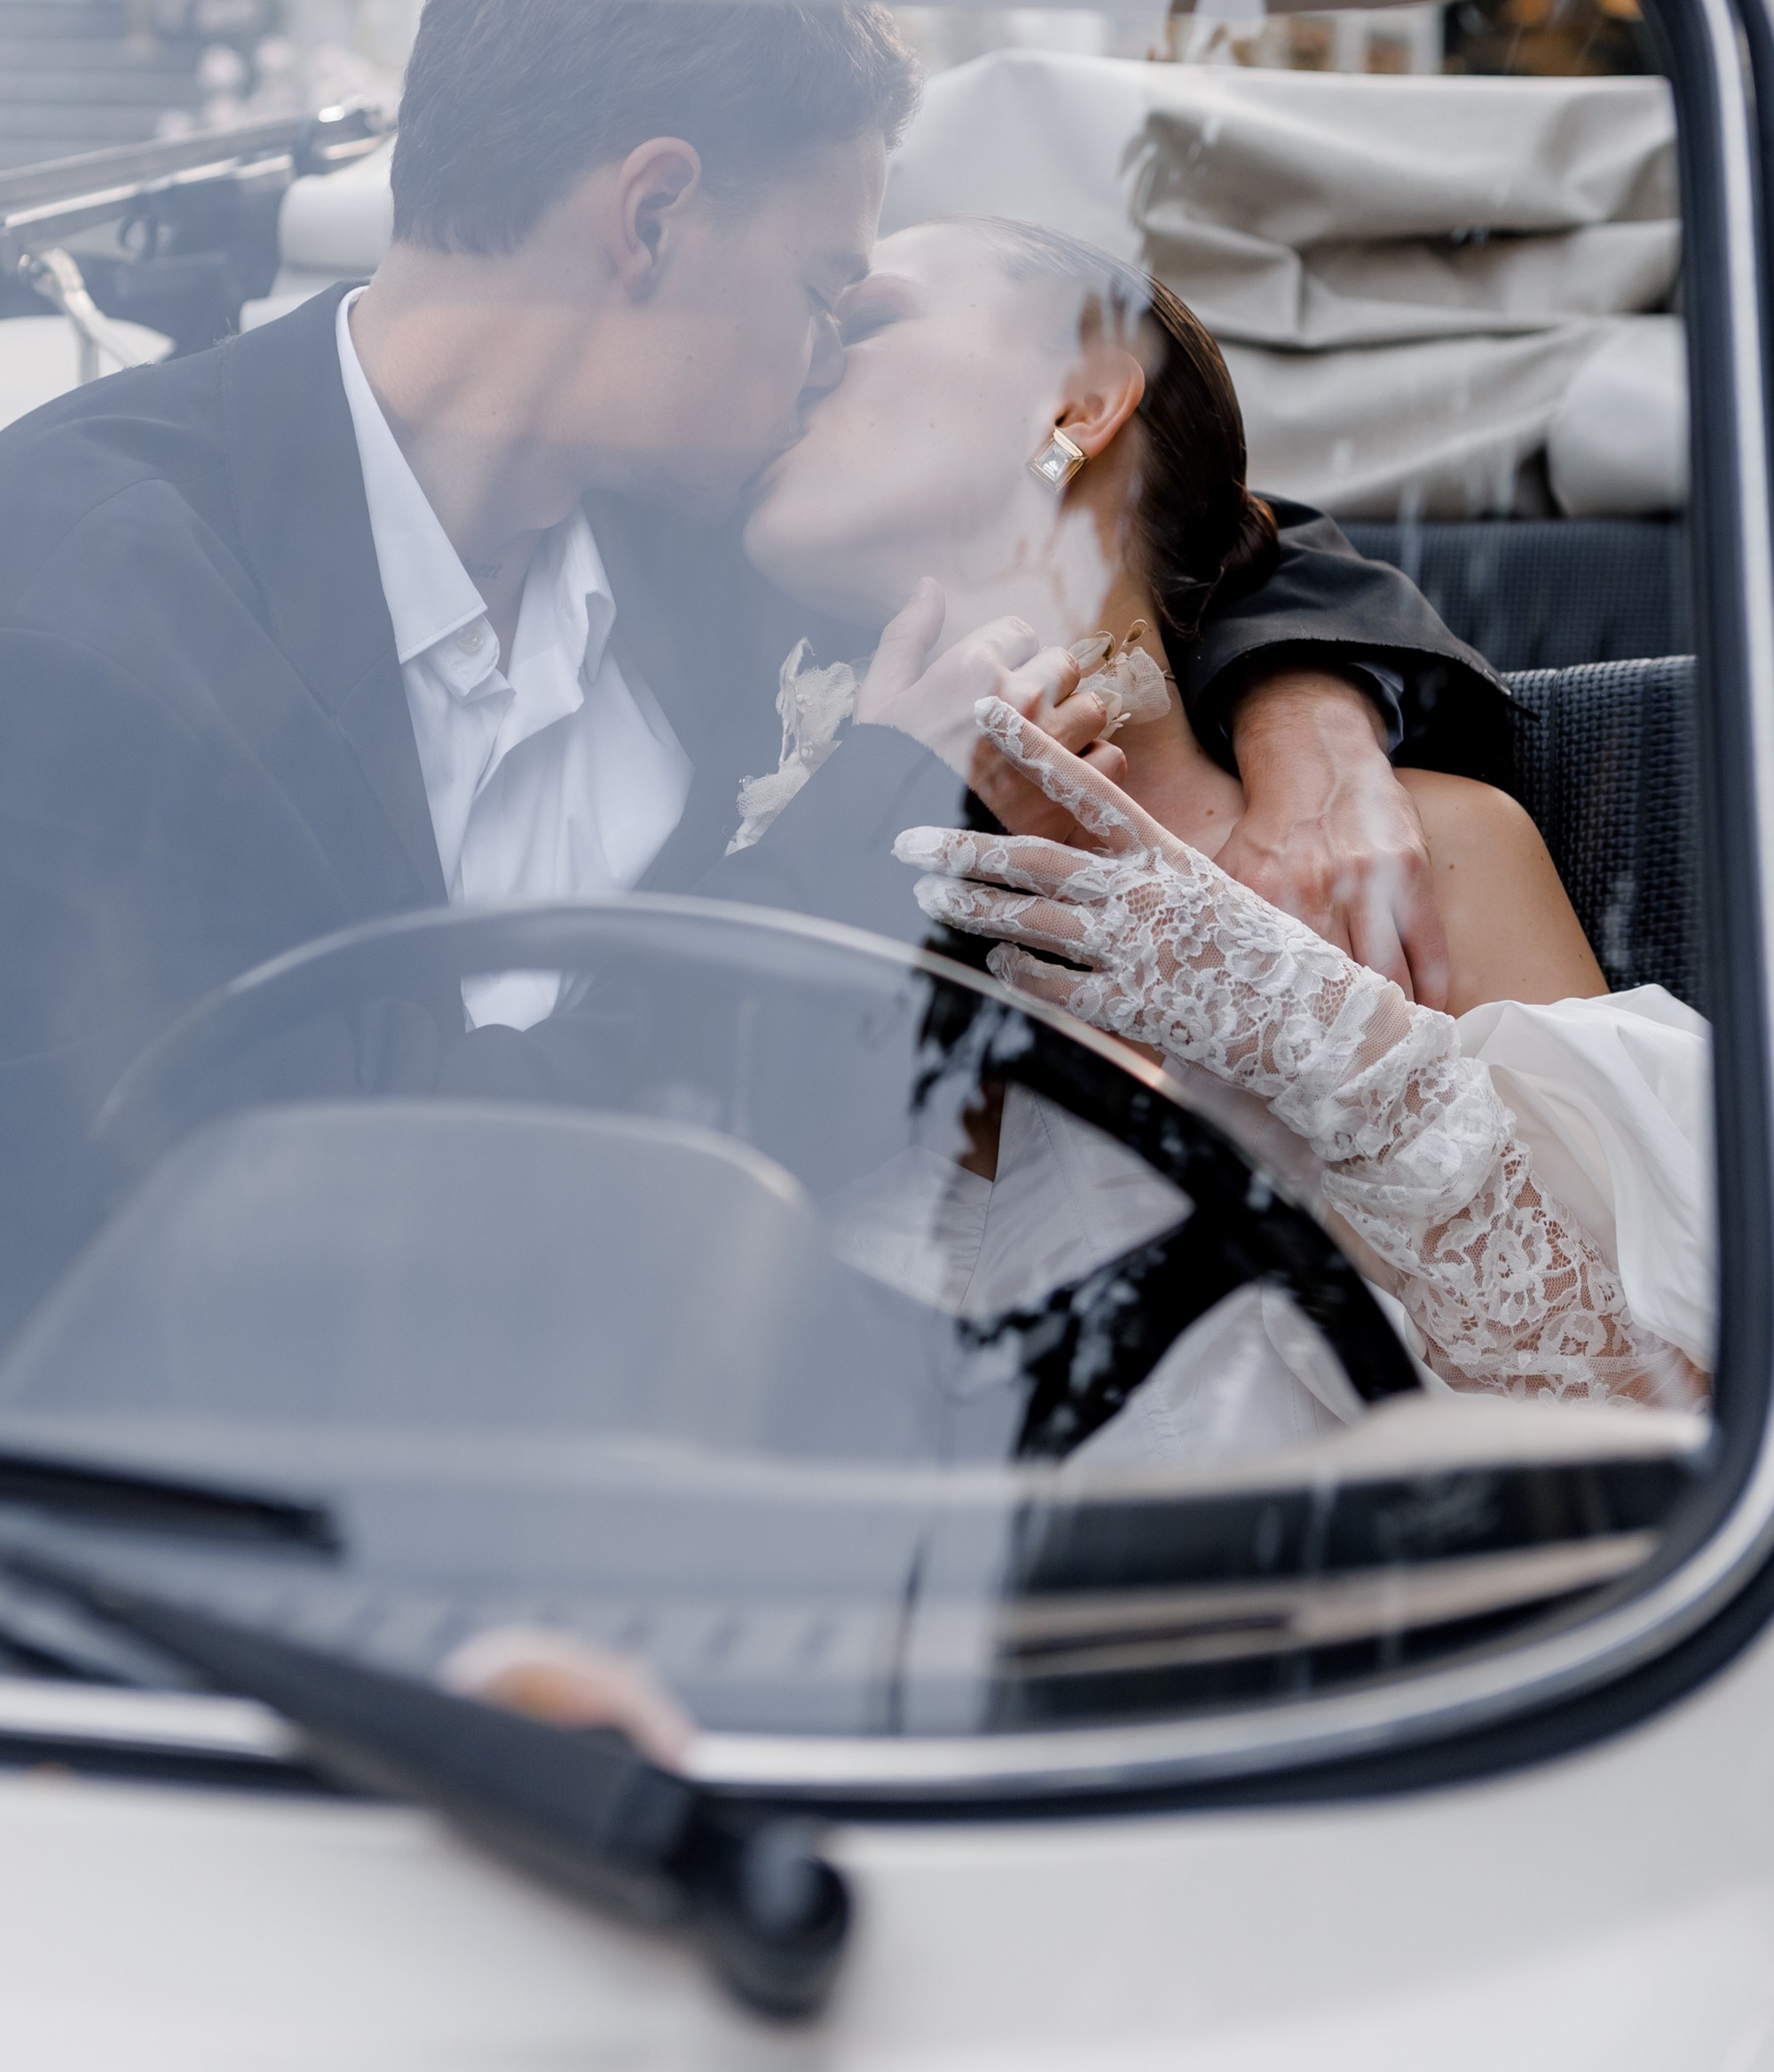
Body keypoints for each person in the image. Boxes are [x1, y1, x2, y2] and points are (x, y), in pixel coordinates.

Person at [0, 0, 1510, 1382]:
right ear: (649, 218)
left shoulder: (701, 534)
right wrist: (867, 825)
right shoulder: (80, 596)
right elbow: (355, 1217)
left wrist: (1310, 719)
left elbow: (1157, 511)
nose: (826, 356)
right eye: (826, 288)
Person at [732, 214, 1711, 1434]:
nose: (802, 353)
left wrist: (1345, 1062)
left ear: (1080, 407)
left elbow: (1656, 1439)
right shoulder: (736, 882)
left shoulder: (1425, 854)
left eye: (867, 319)